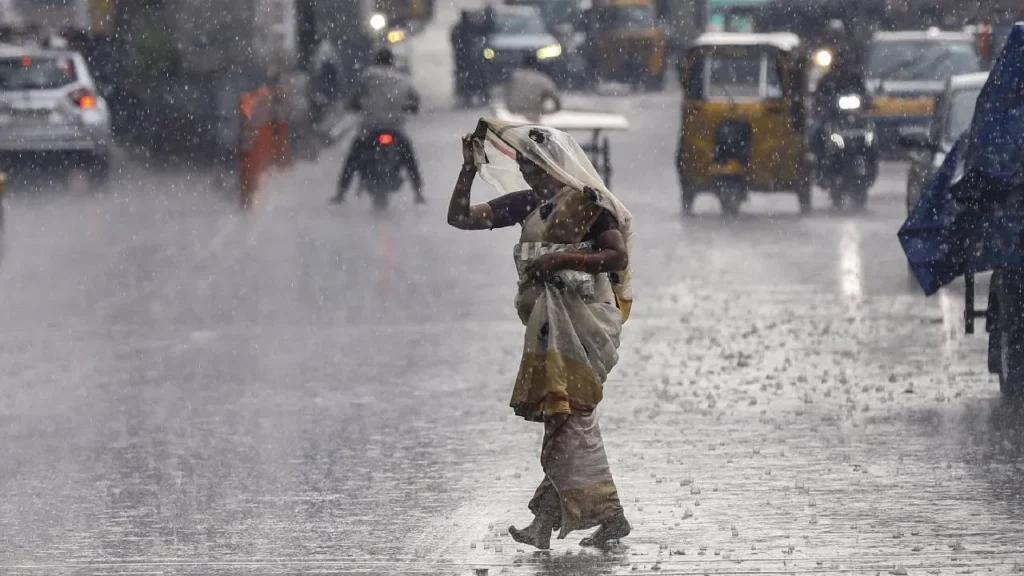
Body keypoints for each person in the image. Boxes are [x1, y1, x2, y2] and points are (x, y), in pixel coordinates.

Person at [447, 120, 634, 550]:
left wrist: (564, 259)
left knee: (565, 418)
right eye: (527, 169)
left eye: (539, 168)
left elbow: (615, 254)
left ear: (557, 165)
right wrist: (468, 170)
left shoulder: (588, 204)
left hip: (586, 325)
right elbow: (460, 218)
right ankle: (595, 518)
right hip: (550, 326)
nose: (533, 176)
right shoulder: (526, 204)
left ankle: (554, 521)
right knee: (566, 419)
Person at [332, 47, 425, 204]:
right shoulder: (402, 78)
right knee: (408, 154)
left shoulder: (367, 76)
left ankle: (341, 192)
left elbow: (355, 97)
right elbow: (415, 100)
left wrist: (352, 105)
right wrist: (411, 107)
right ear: (392, 61)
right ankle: (418, 192)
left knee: (354, 154)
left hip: (371, 127)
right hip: (394, 127)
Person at [504, 53, 561, 121]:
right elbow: (556, 100)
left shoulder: (514, 77)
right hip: (534, 113)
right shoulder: (542, 79)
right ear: (537, 64)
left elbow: (505, 93)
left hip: (513, 115)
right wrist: (547, 112)